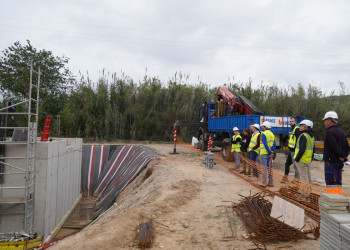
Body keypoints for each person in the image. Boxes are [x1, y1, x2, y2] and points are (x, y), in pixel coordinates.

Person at [323, 111, 350, 194]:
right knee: (338, 181)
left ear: (329, 121)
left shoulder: (329, 132)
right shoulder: (342, 132)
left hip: (331, 162)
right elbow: (347, 147)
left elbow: (334, 146)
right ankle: (339, 198)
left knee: (332, 182)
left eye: (325, 120)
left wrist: (341, 156)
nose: (324, 122)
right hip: (339, 162)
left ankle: (333, 200)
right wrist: (344, 157)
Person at [294, 120, 315, 190]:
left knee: (303, 178)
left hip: (301, 160)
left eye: (300, 125)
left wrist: (297, 159)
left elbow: (302, 149)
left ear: (305, 126)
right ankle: (309, 193)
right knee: (308, 177)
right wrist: (311, 158)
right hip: (307, 159)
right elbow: (313, 149)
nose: (299, 127)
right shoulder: (311, 136)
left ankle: (304, 195)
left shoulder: (303, 135)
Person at [281, 117, 301, 183]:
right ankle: (285, 177)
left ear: (295, 122)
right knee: (287, 164)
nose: (290, 122)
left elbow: (298, 140)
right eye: (290, 121)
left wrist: (296, 150)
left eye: (292, 121)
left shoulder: (297, 129)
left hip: (295, 151)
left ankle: (297, 179)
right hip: (291, 150)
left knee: (296, 166)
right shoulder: (292, 129)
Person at [259, 121, 276, 187]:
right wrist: (271, 151)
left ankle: (264, 183)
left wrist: (268, 151)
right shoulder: (272, 134)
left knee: (264, 168)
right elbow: (274, 145)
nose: (262, 127)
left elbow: (265, 144)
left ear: (265, 127)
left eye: (263, 126)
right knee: (270, 168)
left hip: (264, 153)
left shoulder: (263, 134)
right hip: (270, 154)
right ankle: (271, 182)